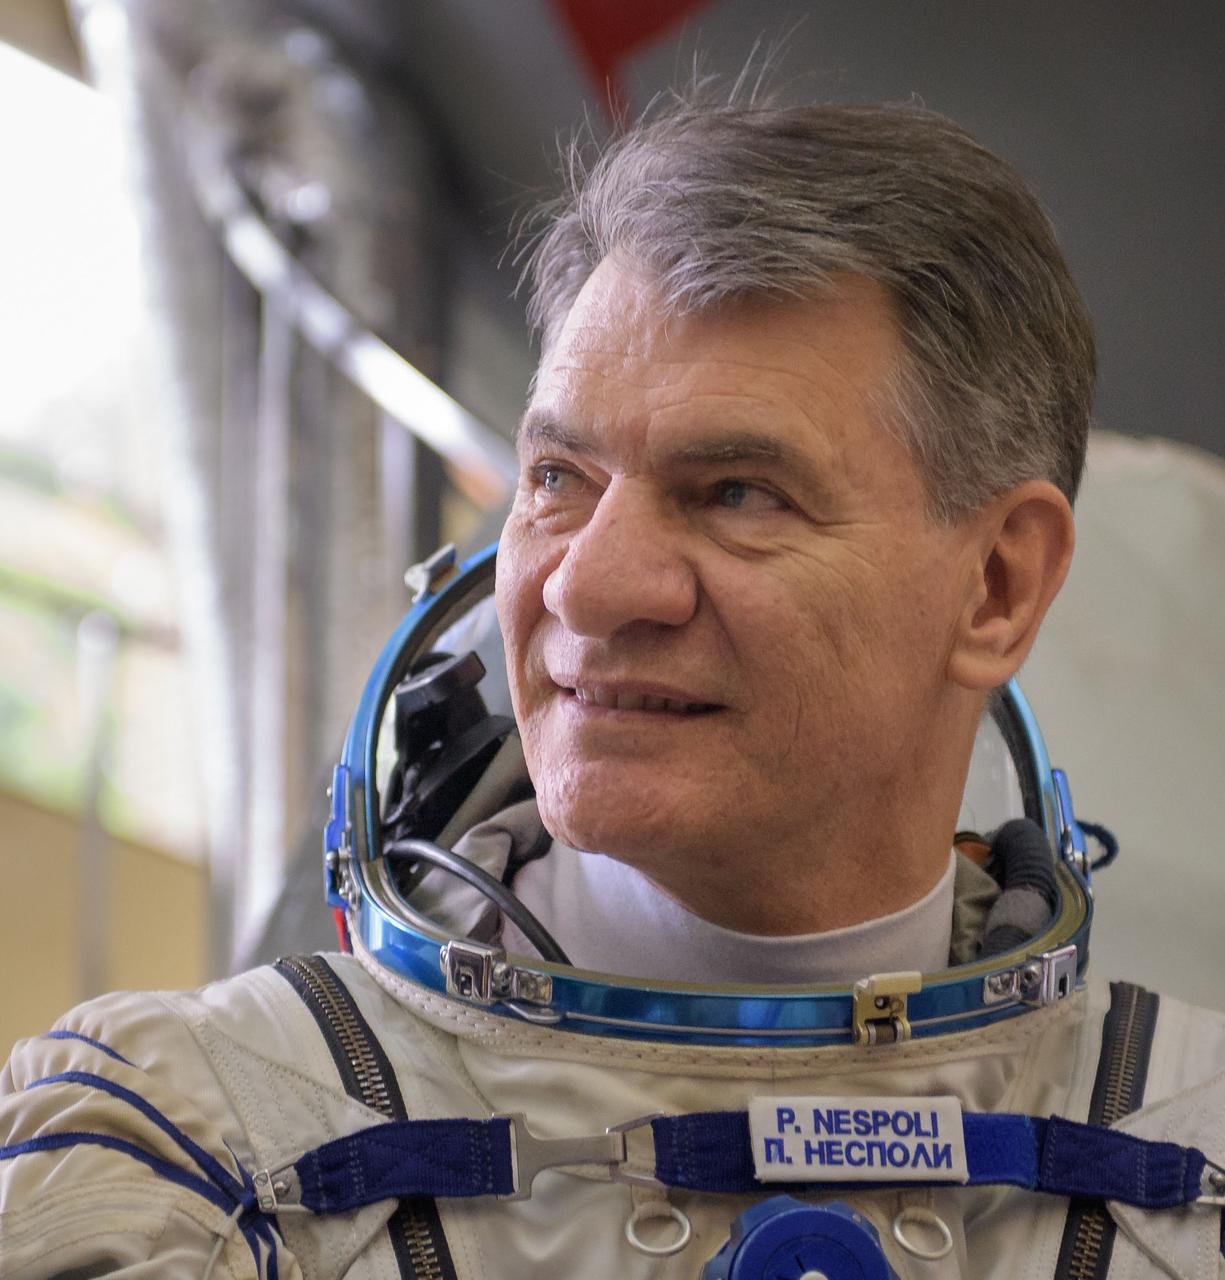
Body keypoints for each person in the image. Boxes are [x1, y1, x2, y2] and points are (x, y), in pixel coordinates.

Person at [3, 92, 1223, 1280]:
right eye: (556, 477)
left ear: (997, 585)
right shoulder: (184, 1155)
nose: (588, 586)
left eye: (737, 492)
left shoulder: (1193, 1168)